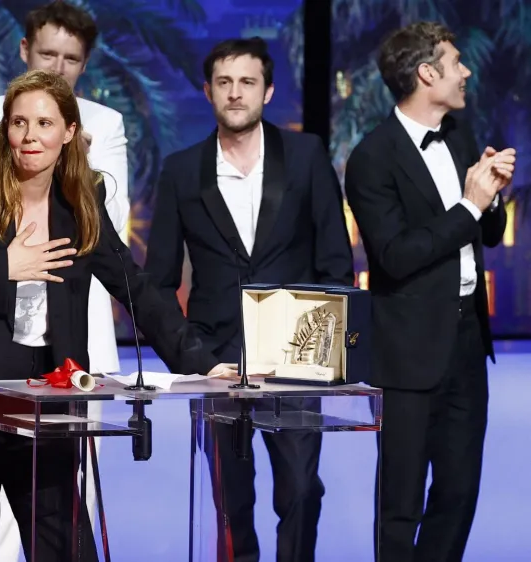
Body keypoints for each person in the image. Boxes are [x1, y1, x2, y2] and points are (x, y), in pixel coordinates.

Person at [0, 68, 235, 562]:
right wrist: (3, 267)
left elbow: (135, 287)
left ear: (69, 131)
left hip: (48, 411)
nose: (30, 136)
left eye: (45, 124)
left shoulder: (81, 200)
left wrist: (200, 361)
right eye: (19, 123)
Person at [145, 37, 353, 562]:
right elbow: (158, 282)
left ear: (268, 90)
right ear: (208, 90)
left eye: (247, 82)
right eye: (224, 82)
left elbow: (335, 262)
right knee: (230, 504)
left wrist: (329, 357)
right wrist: (192, 359)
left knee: (303, 493)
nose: (235, 94)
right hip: (217, 363)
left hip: (297, 361)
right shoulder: (181, 171)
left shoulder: (306, 156)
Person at [0, 3, 126, 556]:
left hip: (65, 346)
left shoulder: (104, 125)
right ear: (24, 50)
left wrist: (77, 168)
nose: (59, 67)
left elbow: (112, 244)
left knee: (61, 512)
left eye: (71, 59)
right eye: (48, 53)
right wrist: (31, 147)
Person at [344, 22, 515, 562]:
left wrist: (490, 198)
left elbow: (485, 232)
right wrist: (468, 204)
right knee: (401, 501)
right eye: (455, 61)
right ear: (426, 73)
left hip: (467, 340)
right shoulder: (371, 158)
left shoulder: (461, 134)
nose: (465, 71)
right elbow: (395, 257)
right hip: (408, 351)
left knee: (459, 492)